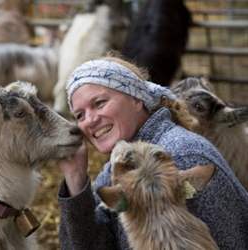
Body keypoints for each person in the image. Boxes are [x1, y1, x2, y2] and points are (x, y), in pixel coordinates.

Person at [57, 55, 248, 250]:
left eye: (99, 103)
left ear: (136, 99)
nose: (89, 120)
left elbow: (230, 241)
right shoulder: (116, 169)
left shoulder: (180, 157)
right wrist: (75, 177)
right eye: (79, 115)